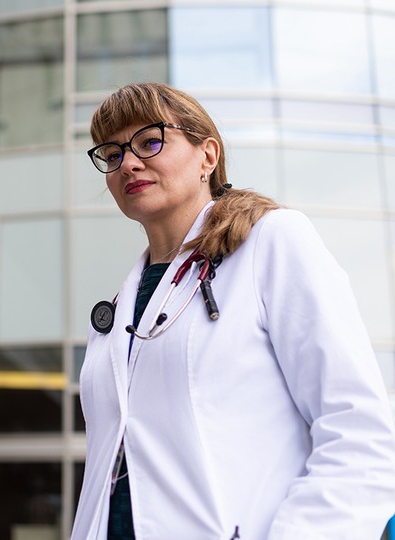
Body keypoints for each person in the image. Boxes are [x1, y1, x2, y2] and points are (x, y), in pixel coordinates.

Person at [72, 82, 395, 540]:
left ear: (208, 156)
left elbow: (357, 434)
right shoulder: (120, 308)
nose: (128, 162)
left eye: (149, 141)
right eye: (112, 153)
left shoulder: (273, 242)